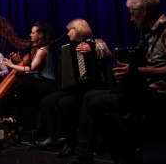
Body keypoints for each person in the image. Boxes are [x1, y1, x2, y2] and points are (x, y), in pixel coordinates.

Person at [67, 0, 166, 164]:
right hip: (147, 91)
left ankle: (125, 160)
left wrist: (137, 71)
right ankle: (83, 156)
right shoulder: (149, 35)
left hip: (164, 94)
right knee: (89, 97)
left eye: (133, 14)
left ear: (144, 12)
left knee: (96, 104)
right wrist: (126, 76)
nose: (131, 19)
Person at [35, 19, 113, 157]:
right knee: (49, 100)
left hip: (93, 88)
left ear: (77, 29)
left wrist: (92, 50)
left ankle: (72, 144)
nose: (68, 33)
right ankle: (54, 137)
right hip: (75, 88)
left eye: (69, 29)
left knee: (66, 103)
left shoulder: (96, 42)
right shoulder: (70, 47)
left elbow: (108, 55)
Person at [0, 21, 58, 136]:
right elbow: (30, 66)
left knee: (17, 83)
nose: (30, 35)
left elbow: (32, 68)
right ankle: (18, 121)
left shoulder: (42, 50)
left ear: (40, 35)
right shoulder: (36, 49)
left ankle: (16, 119)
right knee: (18, 87)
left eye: (32, 33)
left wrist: (11, 65)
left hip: (48, 85)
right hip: (40, 83)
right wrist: (18, 61)